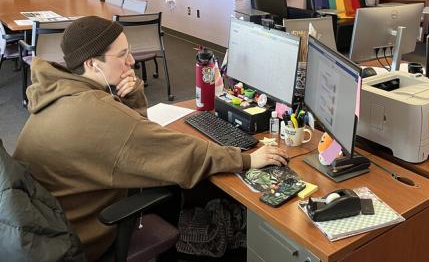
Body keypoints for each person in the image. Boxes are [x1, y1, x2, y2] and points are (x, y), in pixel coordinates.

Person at [13, 16, 288, 261]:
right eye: (122, 55)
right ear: (92, 65)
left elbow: (132, 137)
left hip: (46, 227)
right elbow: (172, 151)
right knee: (178, 184)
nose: (132, 61)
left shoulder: (58, 92)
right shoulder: (94, 112)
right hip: (79, 238)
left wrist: (130, 96)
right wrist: (246, 158)